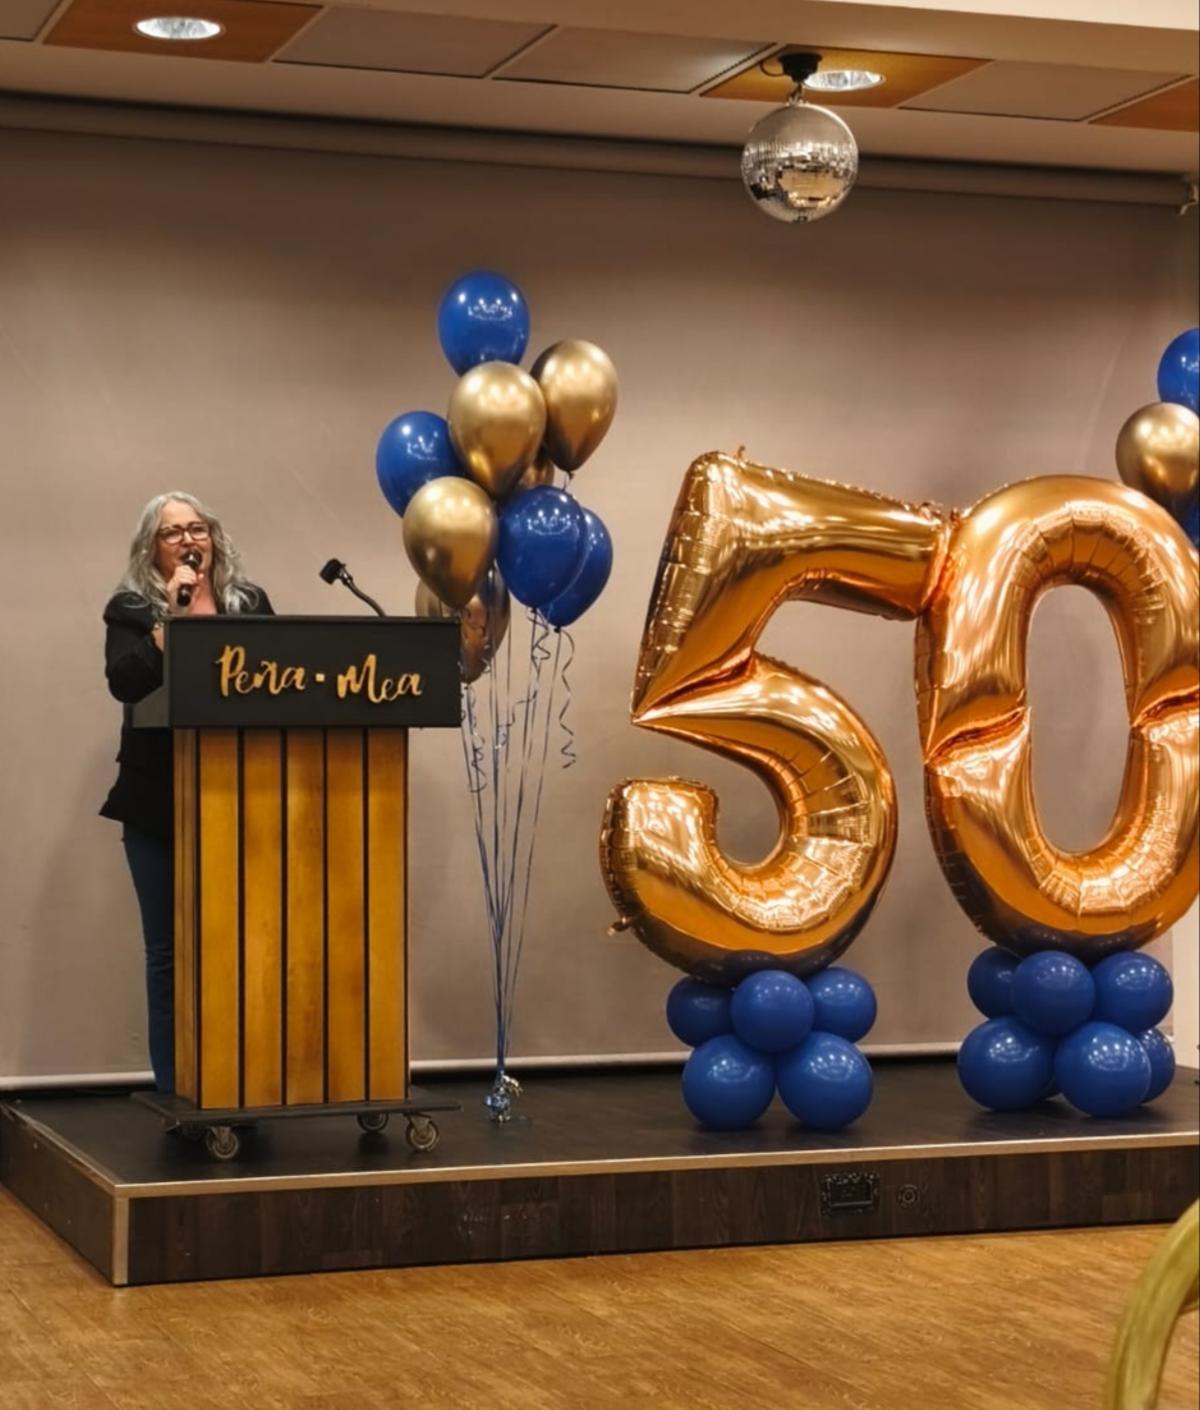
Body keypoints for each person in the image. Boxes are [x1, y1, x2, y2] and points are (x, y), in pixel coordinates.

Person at [100, 493, 273, 1091]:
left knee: (240, 945)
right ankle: (178, 1088)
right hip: (158, 801)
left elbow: (282, 679)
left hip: (240, 795)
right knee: (169, 953)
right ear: (153, 549)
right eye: (172, 533)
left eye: (196, 528)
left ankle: (241, 1077)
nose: (187, 540)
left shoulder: (248, 605)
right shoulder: (130, 609)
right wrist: (163, 632)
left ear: (214, 539)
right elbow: (124, 683)